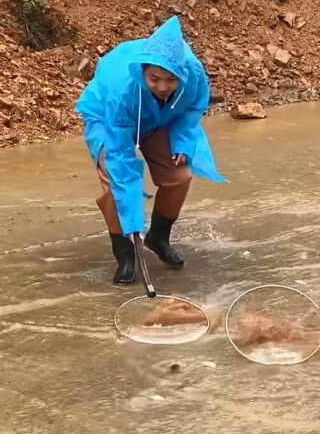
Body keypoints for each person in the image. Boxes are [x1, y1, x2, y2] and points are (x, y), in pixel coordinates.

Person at [75, 16, 225, 284]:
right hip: (109, 120)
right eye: (154, 79)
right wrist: (133, 221)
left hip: (161, 119)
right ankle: (125, 255)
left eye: (171, 80)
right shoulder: (123, 92)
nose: (163, 87)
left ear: (182, 75)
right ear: (143, 72)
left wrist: (182, 141)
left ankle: (158, 238)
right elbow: (121, 159)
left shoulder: (193, 76)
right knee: (116, 188)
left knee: (180, 176)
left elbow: (191, 109)